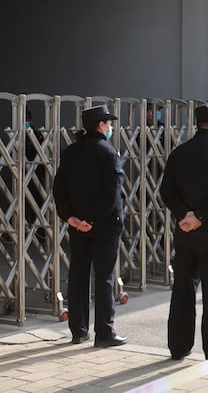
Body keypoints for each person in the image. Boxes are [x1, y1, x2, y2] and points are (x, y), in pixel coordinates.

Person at [162, 103, 208, 360]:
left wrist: (185, 215)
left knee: (182, 290)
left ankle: (179, 347)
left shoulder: (179, 153)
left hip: (185, 234)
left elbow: (166, 192)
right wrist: (200, 216)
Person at [53, 104, 126, 347]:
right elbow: (112, 193)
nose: (111, 126)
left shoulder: (71, 152)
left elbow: (59, 188)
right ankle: (104, 332)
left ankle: (78, 330)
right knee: (103, 277)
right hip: (105, 225)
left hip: (77, 225)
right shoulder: (109, 152)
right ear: (101, 125)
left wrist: (71, 217)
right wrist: (93, 220)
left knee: (78, 275)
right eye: (109, 123)